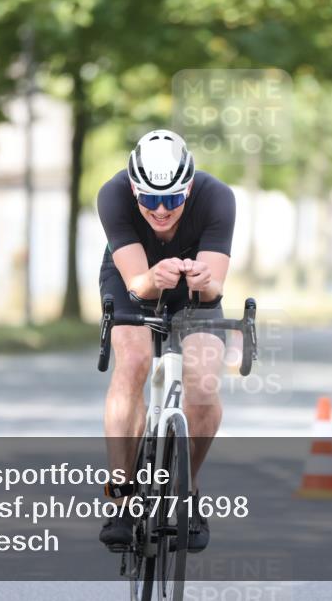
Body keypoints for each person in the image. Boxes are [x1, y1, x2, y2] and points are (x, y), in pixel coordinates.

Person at [96, 129, 236, 552]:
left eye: (173, 200)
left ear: (189, 188)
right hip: (134, 281)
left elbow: (215, 291)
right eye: (150, 200)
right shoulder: (113, 195)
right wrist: (154, 278)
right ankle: (122, 496)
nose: (160, 210)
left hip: (195, 289)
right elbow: (137, 284)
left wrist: (204, 282)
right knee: (135, 360)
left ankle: (186, 492)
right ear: (133, 187)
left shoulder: (217, 197)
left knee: (203, 380)